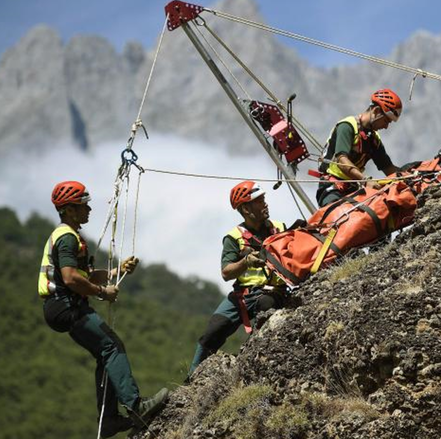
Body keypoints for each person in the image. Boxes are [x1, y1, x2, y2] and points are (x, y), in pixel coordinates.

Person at [39, 180, 168, 438]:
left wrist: (116, 272)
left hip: (60, 307)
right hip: (66, 305)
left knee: (104, 353)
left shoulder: (68, 236)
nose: (88, 209)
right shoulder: (67, 239)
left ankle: (109, 420)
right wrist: (102, 293)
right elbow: (71, 278)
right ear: (68, 210)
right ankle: (135, 407)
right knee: (112, 346)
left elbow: (84, 274)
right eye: (82, 205)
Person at [188, 181, 287, 376]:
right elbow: (226, 272)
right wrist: (246, 262)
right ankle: (192, 378)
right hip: (242, 294)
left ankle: (258, 366)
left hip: (271, 292)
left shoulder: (279, 228)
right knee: (212, 332)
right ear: (246, 209)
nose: (265, 204)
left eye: (263, 200)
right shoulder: (233, 237)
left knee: (266, 309)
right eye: (259, 201)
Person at [316, 88, 402, 207]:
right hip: (332, 189)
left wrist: (409, 175)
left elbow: (388, 168)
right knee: (338, 214)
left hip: (353, 190)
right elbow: (342, 160)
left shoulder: (373, 139)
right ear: (376, 111)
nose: (386, 127)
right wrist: (365, 180)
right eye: (386, 121)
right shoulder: (347, 126)